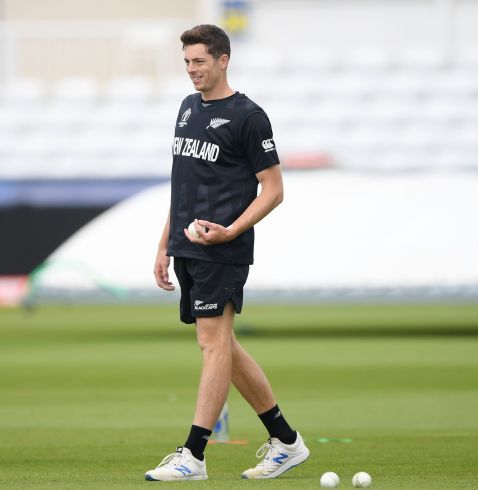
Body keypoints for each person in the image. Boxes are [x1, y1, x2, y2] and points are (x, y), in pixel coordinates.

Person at [145, 24, 309, 481]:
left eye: (199, 61)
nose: (192, 70)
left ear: (223, 59)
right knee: (225, 348)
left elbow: (273, 190)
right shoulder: (186, 109)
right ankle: (287, 441)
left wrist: (231, 231)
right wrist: (164, 244)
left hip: (224, 250)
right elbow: (183, 188)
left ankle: (193, 455)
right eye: (186, 62)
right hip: (186, 248)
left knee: (212, 344)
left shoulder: (249, 116)